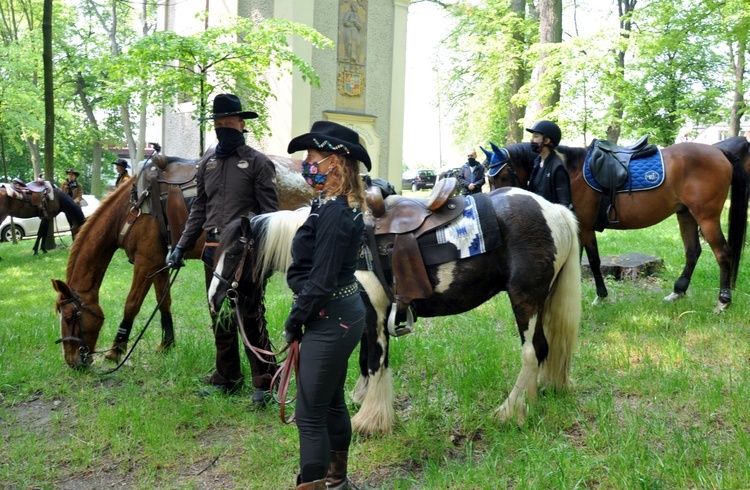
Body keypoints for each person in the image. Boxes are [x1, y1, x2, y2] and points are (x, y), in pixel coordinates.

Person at [167, 93, 279, 402]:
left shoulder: (258, 162)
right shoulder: (208, 162)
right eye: (218, 123)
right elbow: (199, 210)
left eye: (229, 122)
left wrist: (259, 252)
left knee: (249, 313)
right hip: (212, 251)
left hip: (245, 254)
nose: (223, 128)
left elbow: (270, 214)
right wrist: (180, 247)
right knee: (219, 314)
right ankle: (227, 377)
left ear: (242, 124)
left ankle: (264, 381)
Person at [284, 121, 370, 489]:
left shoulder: (335, 211)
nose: (306, 164)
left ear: (333, 163)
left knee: (309, 415)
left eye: (311, 157)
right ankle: (337, 482)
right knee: (331, 403)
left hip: (330, 317)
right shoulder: (332, 205)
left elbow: (320, 280)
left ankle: (322, 484)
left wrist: (295, 320)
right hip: (337, 315)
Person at [525, 120, 574, 211]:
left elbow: (564, 204)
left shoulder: (557, 167)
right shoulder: (537, 162)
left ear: (546, 140)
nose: (531, 140)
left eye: (536, 136)